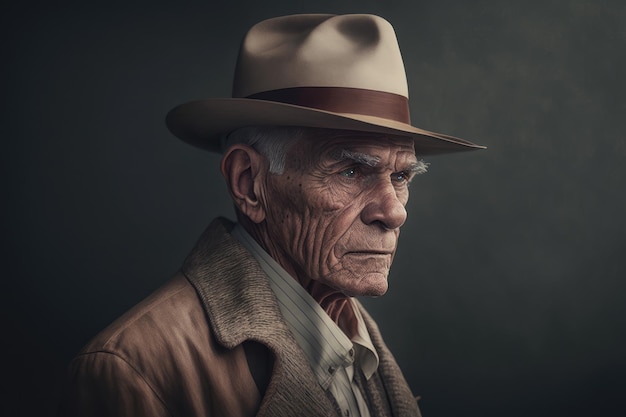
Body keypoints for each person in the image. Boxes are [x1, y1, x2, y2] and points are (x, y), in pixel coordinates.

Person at [58, 13, 484, 417]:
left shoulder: (353, 332)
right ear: (248, 182)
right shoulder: (134, 368)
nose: (393, 212)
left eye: (402, 176)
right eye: (351, 170)